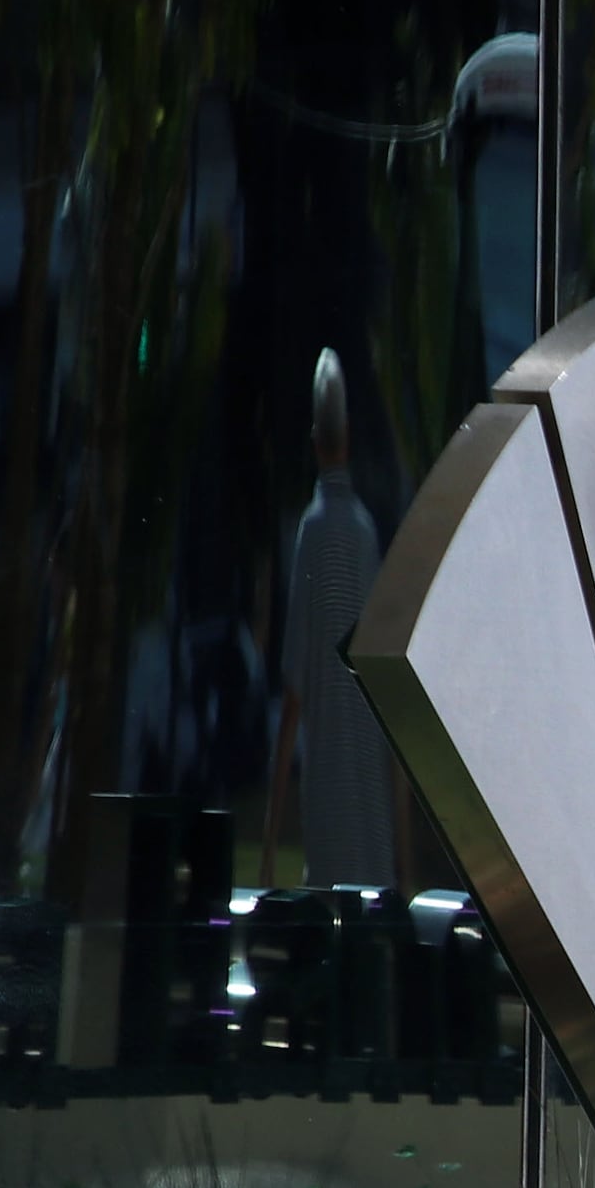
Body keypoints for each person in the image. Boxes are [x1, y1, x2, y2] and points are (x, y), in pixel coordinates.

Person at [278, 350, 396, 888]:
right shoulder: (365, 532)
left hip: (328, 782)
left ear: (311, 441)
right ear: (346, 436)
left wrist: (272, 814)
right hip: (368, 784)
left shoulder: (314, 530)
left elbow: (296, 680)